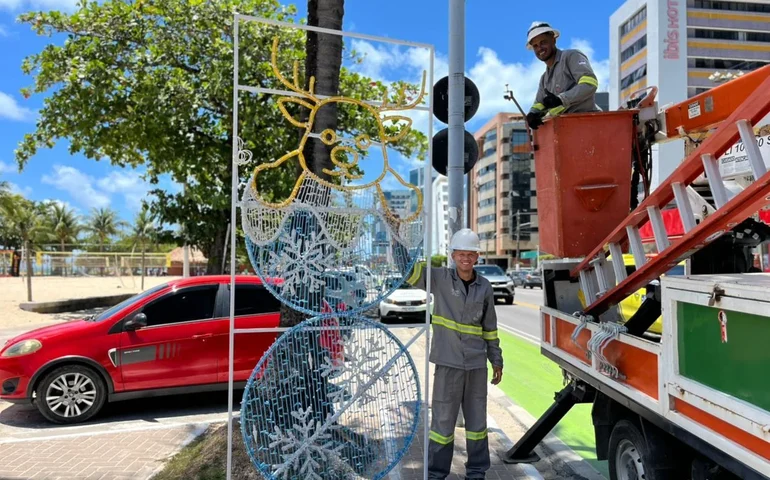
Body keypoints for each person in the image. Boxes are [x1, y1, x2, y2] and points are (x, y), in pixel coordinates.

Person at [405, 228, 503, 480]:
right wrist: (398, 238)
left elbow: (490, 328)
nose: (466, 259)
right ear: (452, 255)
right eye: (461, 254)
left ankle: (477, 472)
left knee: (477, 423)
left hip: (476, 365)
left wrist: (497, 360)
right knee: (442, 422)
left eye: (471, 254)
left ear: (477, 257)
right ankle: (437, 474)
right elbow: (409, 271)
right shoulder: (439, 279)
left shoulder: (485, 288)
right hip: (448, 363)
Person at [525, 21, 601, 131]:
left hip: (588, 123)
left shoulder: (571, 57)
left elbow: (589, 84)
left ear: (553, 40)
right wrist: (532, 114)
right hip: (565, 129)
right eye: (535, 46)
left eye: (543, 42)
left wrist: (561, 99)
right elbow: (539, 104)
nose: (539, 48)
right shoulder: (544, 79)